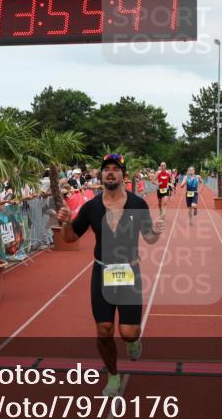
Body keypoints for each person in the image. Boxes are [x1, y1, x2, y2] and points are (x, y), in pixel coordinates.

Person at [56, 153, 165, 397]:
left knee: (128, 333)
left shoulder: (137, 204)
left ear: (123, 175)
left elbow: (148, 238)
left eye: (116, 169)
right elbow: (70, 238)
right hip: (102, 270)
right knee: (104, 329)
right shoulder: (91, 207)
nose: (111, 172)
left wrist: (156, 231)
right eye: (107, 169)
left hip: (129, 271)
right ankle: (113, 376)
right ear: (101, 174)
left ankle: (134, 341)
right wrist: (65, 222)